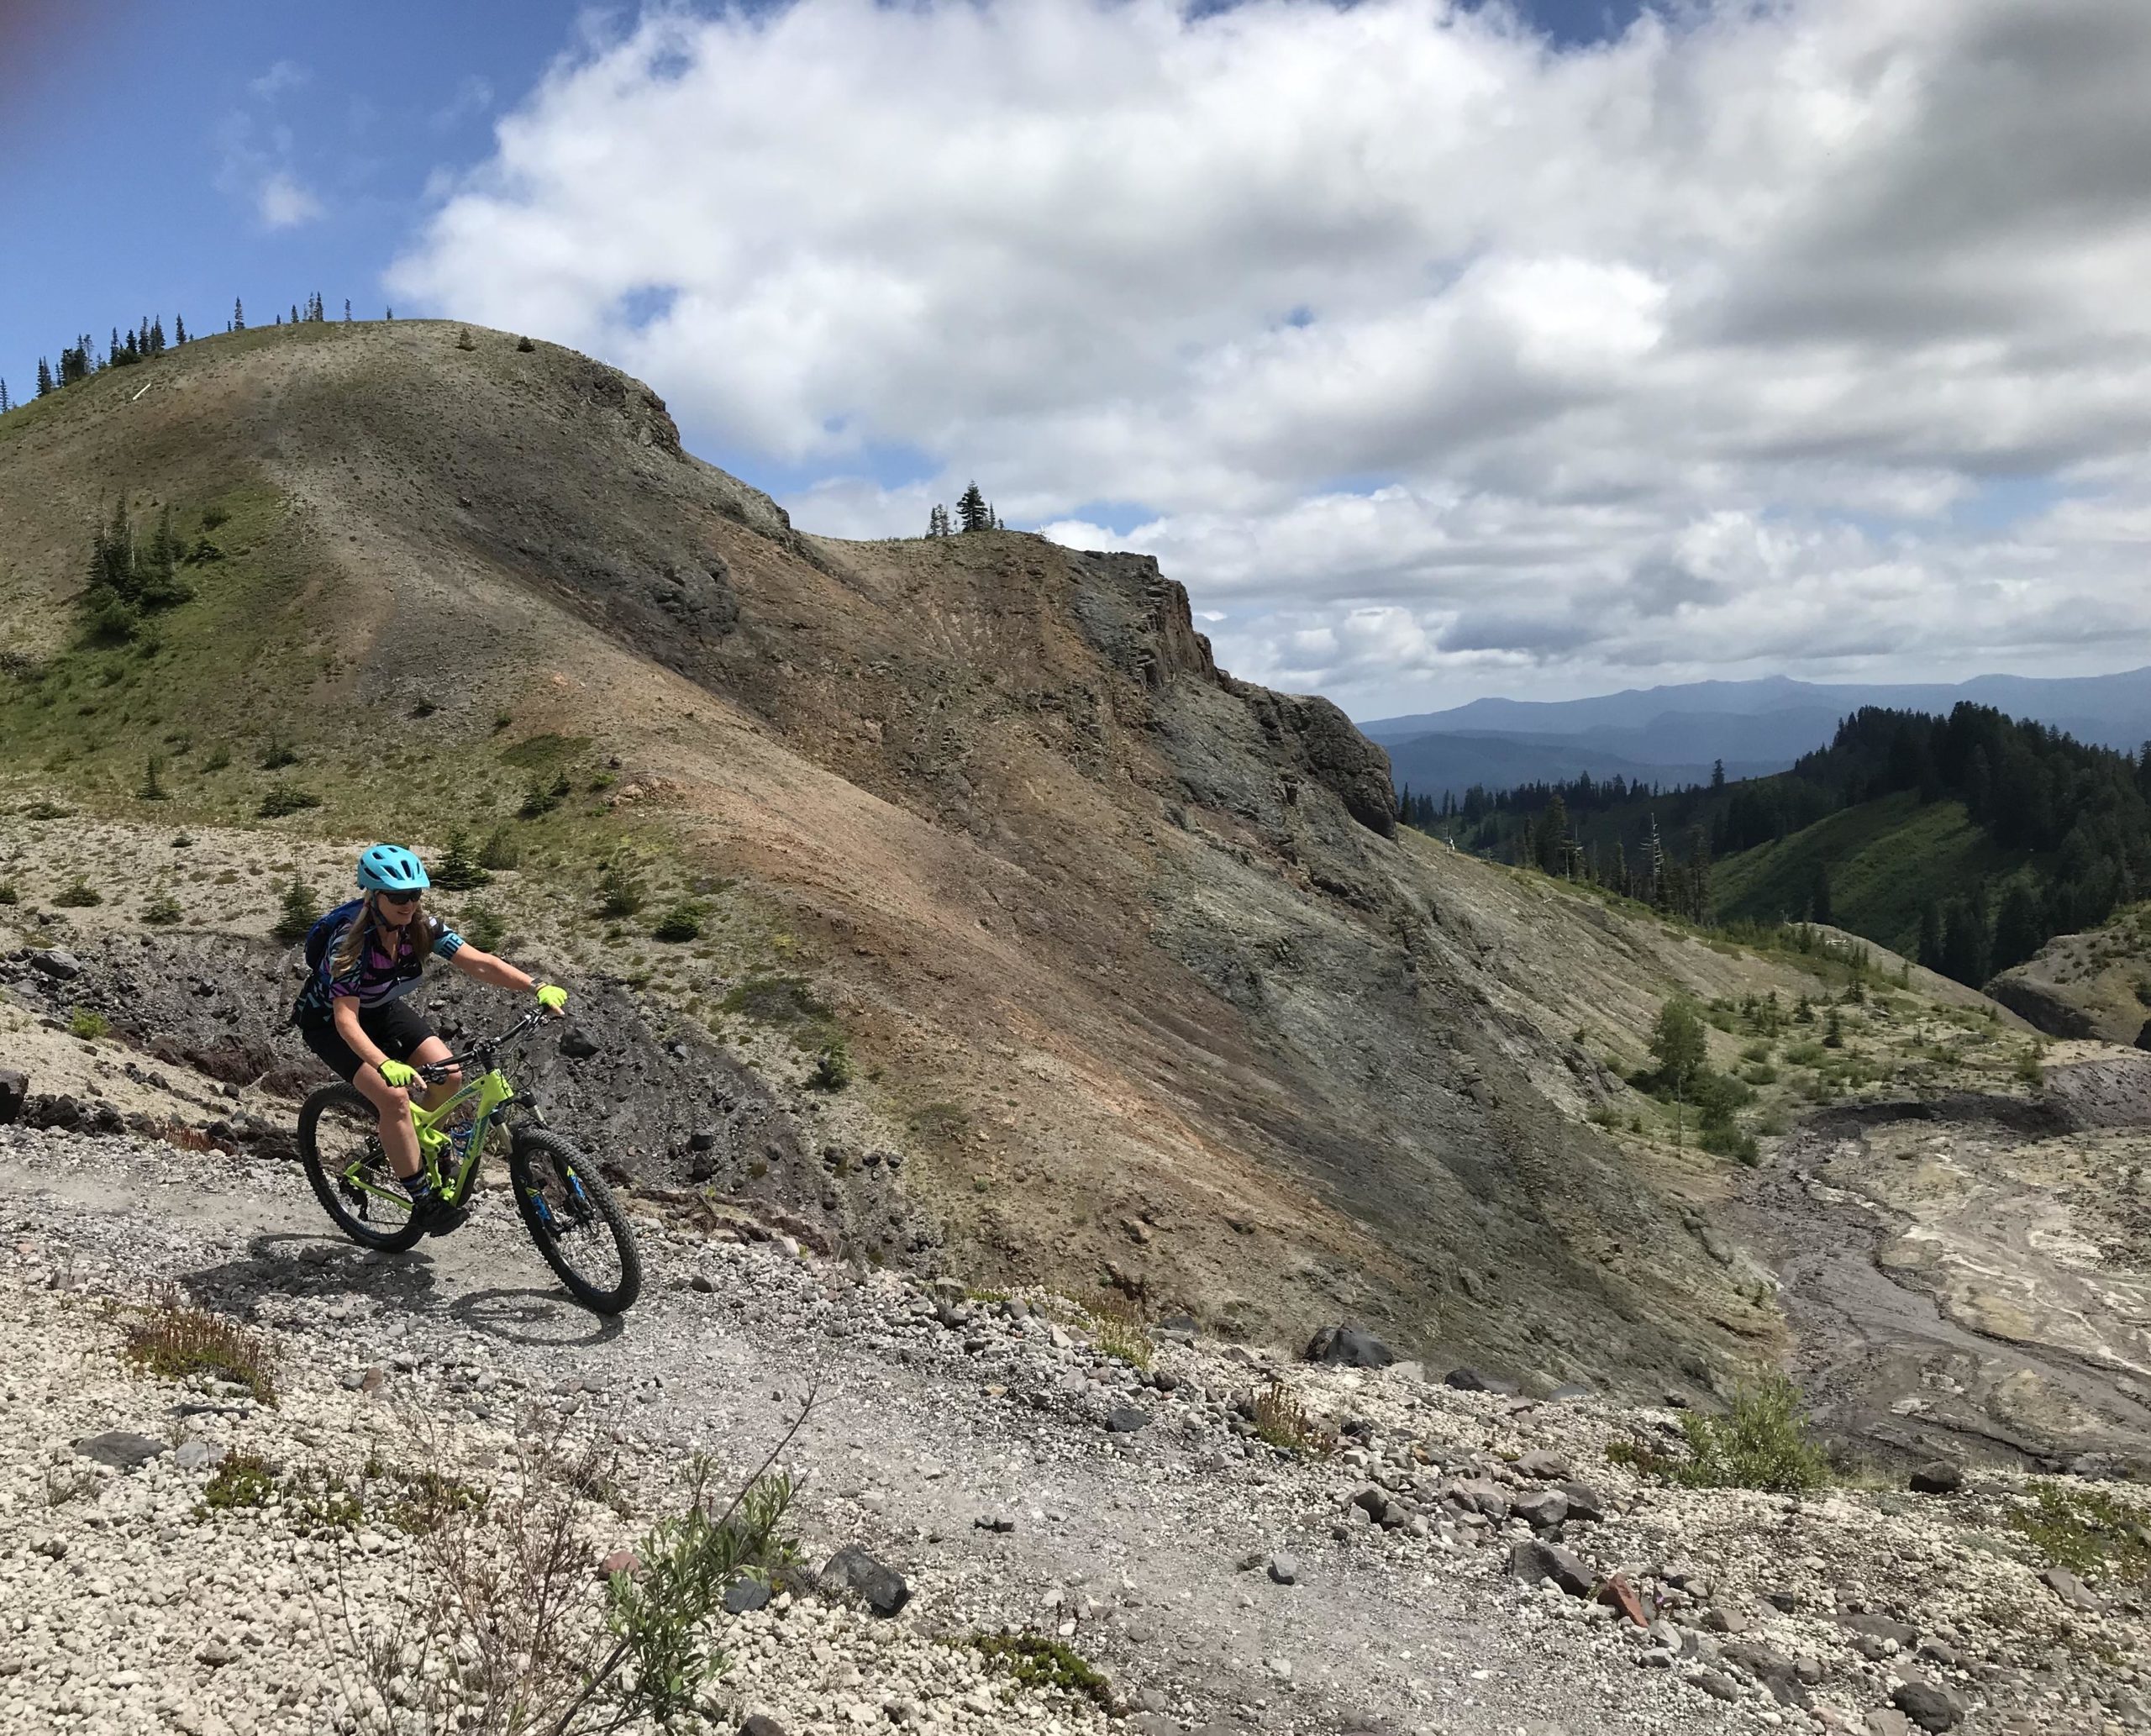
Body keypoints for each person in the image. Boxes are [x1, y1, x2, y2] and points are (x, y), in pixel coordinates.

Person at [292, 843, 567, 1233]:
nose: (409, 903)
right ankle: (423, 1201)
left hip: (381, 1008)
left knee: (450, 1076)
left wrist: (534, 986)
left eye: (416, 894)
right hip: (330, 1022)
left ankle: (421, 1143)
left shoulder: (422, 927)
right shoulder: (348, 944)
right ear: (374, 896)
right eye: (399, 896)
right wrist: (386, 1064)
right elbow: (346, 1021)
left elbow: (479, 962)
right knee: (394, 1098)